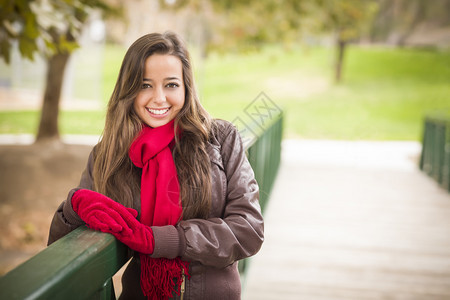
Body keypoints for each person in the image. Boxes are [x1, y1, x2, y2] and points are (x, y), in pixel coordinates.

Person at [47, 31, 264, 300]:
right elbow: (64, 253)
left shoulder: (221, 139)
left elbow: (248, 230)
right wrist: (72, 209)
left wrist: (161, 240)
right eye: (145, 85)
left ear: (186, 87)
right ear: (128, 90)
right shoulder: (109, 154)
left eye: (171, 85)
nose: (159, 98)